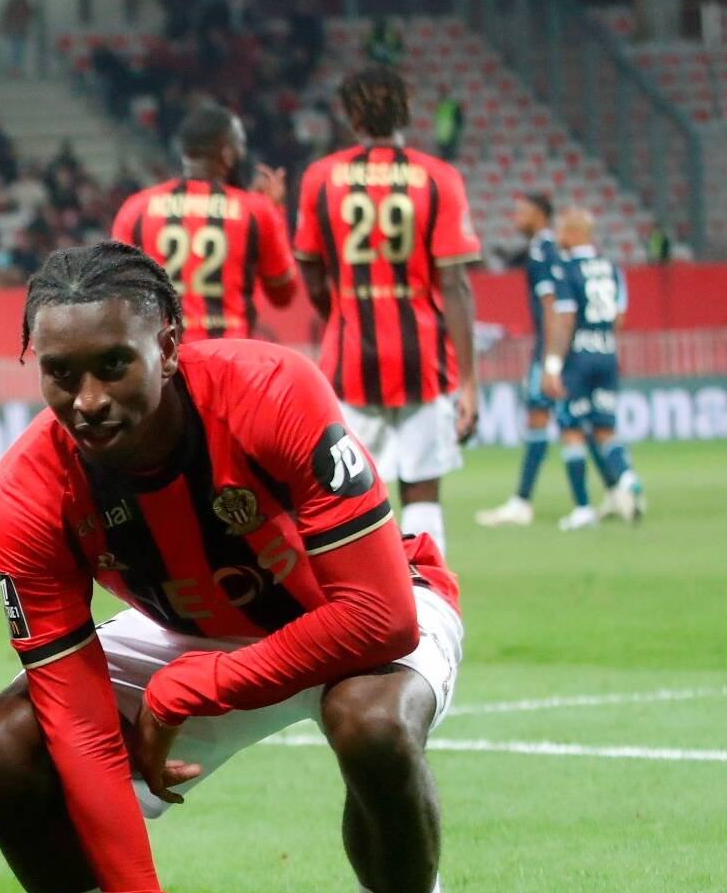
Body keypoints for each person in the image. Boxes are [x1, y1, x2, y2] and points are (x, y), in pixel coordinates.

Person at [0, 241, 475, 893]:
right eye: (60, 374)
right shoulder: (28, 490)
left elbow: (380, 618)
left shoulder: (270, 390)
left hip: (361, 603)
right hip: (188, 630)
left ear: (168, 341)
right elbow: (82, 738)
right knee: (6, 747)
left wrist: (192, 688)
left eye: (114, 365)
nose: (88, 401)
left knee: (374, 725)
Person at [294, 64, 481, 554]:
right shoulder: (438, 177)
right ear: (408, 111)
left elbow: (310, 271)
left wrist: (337, 312)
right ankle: (429, 604)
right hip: (422, 355)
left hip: (349, 354)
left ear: (350, 115)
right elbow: (456, 286)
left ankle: (365, 604)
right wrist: (470, 381)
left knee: (352, 492)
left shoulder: (320, 177)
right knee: (422, 489)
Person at [110, 103, 297, 342]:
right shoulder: (255, 211)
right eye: (240, 145)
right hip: (230, 358)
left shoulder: (136, 208)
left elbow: (116, 292)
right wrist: (274, 211)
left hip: (163, 362)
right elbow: (283, 294)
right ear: (228, 154)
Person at [547, 207, 644, 529]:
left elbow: (565, 318)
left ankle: (583, 508)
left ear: (574, 234)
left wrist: (553, 364)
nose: (558, 236)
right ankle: (627, 478)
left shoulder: (565, 269)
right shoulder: (612, 268)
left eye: (562, 230)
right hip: (606, 354)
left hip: (578, 356)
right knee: (605, 429)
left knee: (571, 429)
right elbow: (621, 318)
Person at [477, 192, 563, 527]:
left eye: (522, 212)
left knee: (542, 418)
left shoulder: (542, 250)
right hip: (557, 348)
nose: (516, 218)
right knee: (576, 421)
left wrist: (550, 356)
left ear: (540, 215)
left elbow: (552, 304)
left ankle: (522, 502)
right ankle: (621, 486)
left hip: (550, 349)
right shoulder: (549, 247)